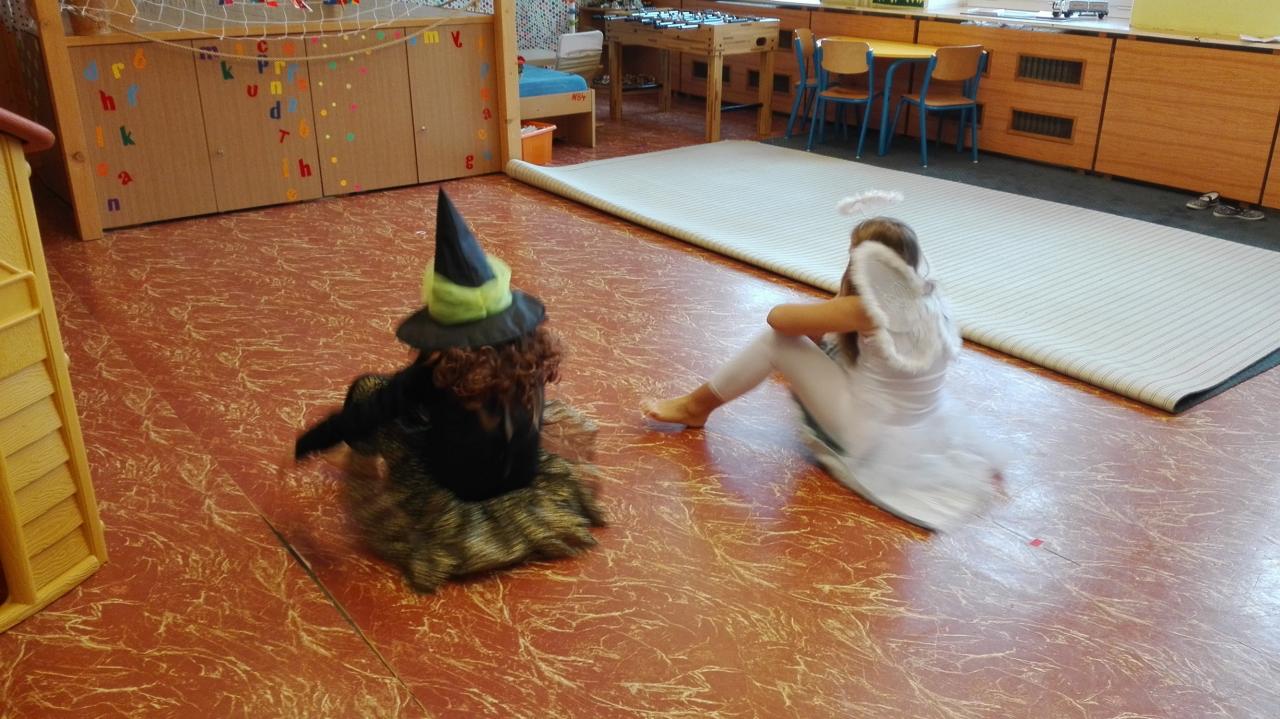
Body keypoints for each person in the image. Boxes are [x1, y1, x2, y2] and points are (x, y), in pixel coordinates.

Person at [291, 189, 605, 592]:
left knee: (369, 389)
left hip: (460, 491)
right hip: (521, 477)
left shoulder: (432, 371)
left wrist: (308, 443)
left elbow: (373, 410)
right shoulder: (530, 351)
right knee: (456, 408)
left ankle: (356, 455)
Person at [643, 191, 1003, 531]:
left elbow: (778, 319)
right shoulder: (927, 294)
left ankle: (695, 407)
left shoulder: (865, 307)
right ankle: (717, 397)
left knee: (776, 342)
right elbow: (828, 332)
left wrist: (844, 294)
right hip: (919, 427)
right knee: (828, 341)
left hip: (872, 435)